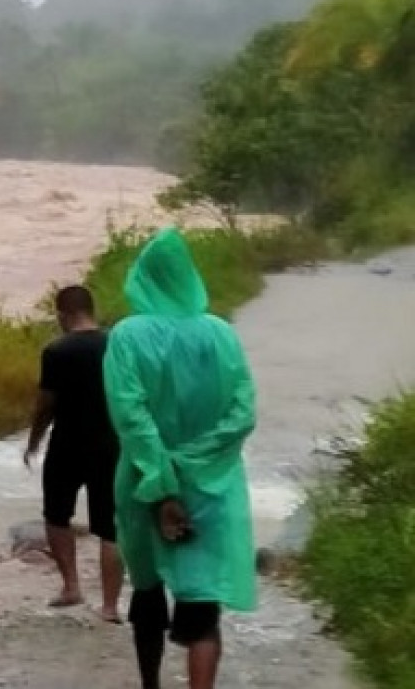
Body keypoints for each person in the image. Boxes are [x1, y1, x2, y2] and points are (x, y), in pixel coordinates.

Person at [102, 228, 258, 689]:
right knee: (202, 602)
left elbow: (131, 415)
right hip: (212, 484)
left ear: (143, 279)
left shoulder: (128, 336)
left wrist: (162, 477)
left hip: (144, 484)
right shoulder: (221, 334)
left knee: (147, 590)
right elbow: (243, 412)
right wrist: (196, 459)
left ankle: (151, 684)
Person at [24, 284, 124, 622]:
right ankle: (110, 607)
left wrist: (33, 441)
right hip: (111, 444)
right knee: (110, 527)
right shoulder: (116, 345)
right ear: (91, 310)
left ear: (62, 315)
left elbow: (46, 404)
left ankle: (71, 587)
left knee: (56, 515)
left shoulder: (56, 351)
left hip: (67, 444)